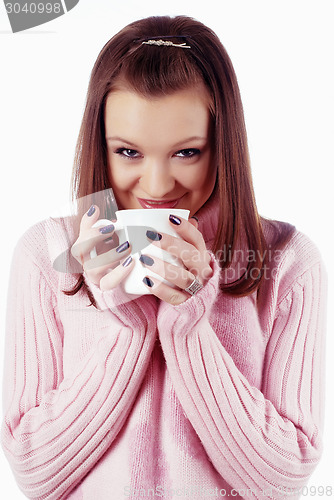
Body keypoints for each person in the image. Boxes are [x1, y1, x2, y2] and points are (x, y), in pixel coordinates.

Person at [1, 15, 327, 500]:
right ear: (101, 146)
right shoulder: (48, 255)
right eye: (129, 152)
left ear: (223, 145)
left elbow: (282, 480)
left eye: (187, 153)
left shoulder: (285, 263)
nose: (156, 187)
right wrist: (126, 320)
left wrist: (191, 324)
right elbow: (35, 472)